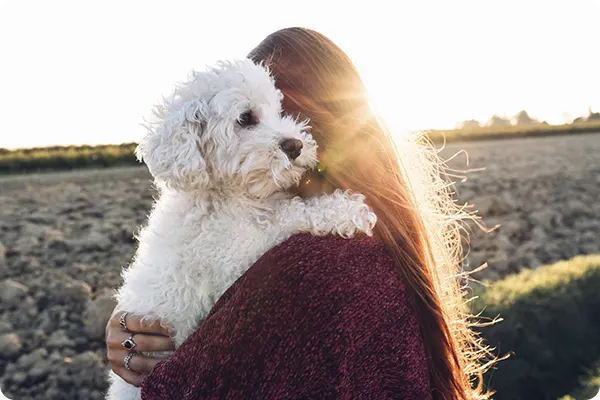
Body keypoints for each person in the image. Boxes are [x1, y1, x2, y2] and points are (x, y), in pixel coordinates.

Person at [105, 27, 493, 399]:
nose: (289, 137)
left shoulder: (312, 266)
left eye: (288, 114)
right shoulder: (380, 239)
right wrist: (128, 329)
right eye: (248, 120)